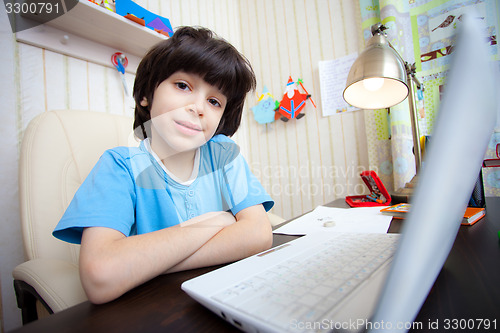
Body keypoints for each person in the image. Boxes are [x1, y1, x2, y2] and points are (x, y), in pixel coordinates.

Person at [53, 26, 274, 304]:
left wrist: (147, 264)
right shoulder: (120, 166)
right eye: (183, 86)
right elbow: (101, 276)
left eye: (214, 101)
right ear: (146, 94)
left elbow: (258, 234)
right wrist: (215, 222)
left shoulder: (223, 154)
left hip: (225, 297)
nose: (199, 107)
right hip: (153, 310)